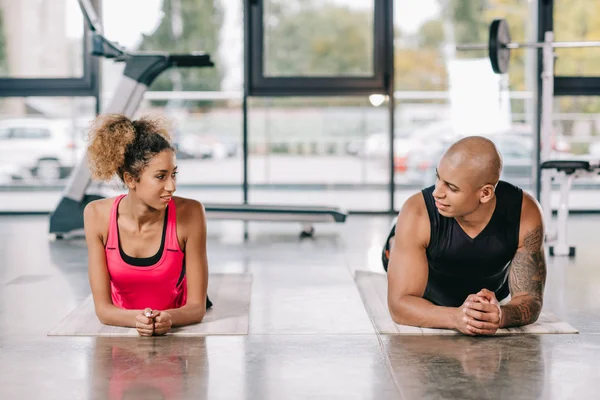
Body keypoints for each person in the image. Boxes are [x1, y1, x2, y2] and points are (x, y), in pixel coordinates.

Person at [385, 136, 547, 336]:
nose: (437, 192)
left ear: (486, 193)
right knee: (396, 244)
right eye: (438, 178)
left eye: (451, 188)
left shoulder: (525, 212)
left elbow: (530, 299)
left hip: (492, 287)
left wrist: (500, 315)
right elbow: (400, 305)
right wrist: (457, 318)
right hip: (429, 290)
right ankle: (395, 238)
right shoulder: (417, 210)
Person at [83, 114, 211, 337]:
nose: (172, 186)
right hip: (125, 316)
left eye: (174, 174)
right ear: (131, 179)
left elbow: (196, 308)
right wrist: (139, 320)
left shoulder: (191, 213)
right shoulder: (96, 215)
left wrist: (169, 318)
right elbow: (103, 310)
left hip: (175, 310)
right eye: (161, 176)